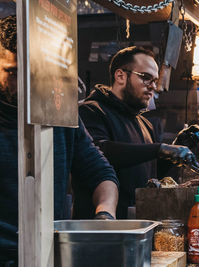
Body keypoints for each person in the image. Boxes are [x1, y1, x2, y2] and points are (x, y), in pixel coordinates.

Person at [0, 15, 119, 265]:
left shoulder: (61, 117)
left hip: (49, 254)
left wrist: (105, 217)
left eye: (34, 73)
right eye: (13, 73)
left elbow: (101, 174)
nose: (25, 85)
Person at [79, 46, 199, 218]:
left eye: (155, 81)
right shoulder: (91, 111)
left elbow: (152, 174)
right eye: (146, 78)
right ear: (120, 76)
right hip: (102, 224)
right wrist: (159, 149)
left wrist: (176, 151)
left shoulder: (143, 123)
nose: (153, 87)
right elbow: (101, 152)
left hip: (139, 222)